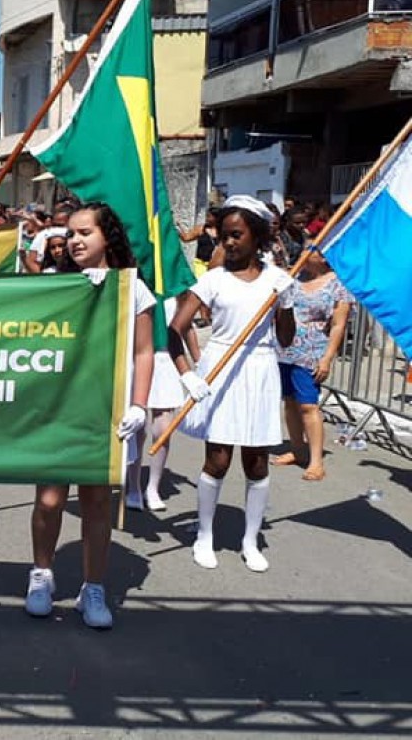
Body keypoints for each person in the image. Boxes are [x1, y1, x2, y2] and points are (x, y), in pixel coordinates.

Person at [23, 202, 154, 630]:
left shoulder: (132, 288)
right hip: (59, 408)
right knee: (49, 499)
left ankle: (92, 587)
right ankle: (41, 575)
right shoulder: (52, 284)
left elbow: (143, 351)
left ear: (107, 237)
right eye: (70, 233)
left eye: (85, 233)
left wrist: (138, 404)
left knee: (97, 501)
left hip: (107, 409)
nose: (75, 241)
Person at [167, 195, 296, 573]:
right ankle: (204, 535)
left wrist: (286, 303)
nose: (229, 243)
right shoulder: (212, 280)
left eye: (236, 235)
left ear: (256, 237)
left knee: (256, 463)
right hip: (219, 369)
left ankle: (250, 539)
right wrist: (188, 374)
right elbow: (175, 329)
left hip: (259, 370)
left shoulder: (276, 280)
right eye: (224, 236)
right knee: (218, 458)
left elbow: (286, 339)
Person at [273, 250, 353, 481]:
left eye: (313, 250)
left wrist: (327, 358)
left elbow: (338, 325)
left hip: (312, 351)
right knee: (289, 402)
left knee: (308, 405)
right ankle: (297, 450)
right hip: (285, 348)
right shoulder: (294, 279)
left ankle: (316, 461)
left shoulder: (338, 285)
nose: (306, 254)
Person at [124, 294, 201, 512]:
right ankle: (133, 486)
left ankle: (153, 487)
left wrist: (199, 361)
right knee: (136, 427)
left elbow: (186, 328)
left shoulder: (177, 291)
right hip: (137, 357)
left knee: (164, 428)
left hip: (167, 359)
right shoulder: (136, 285)